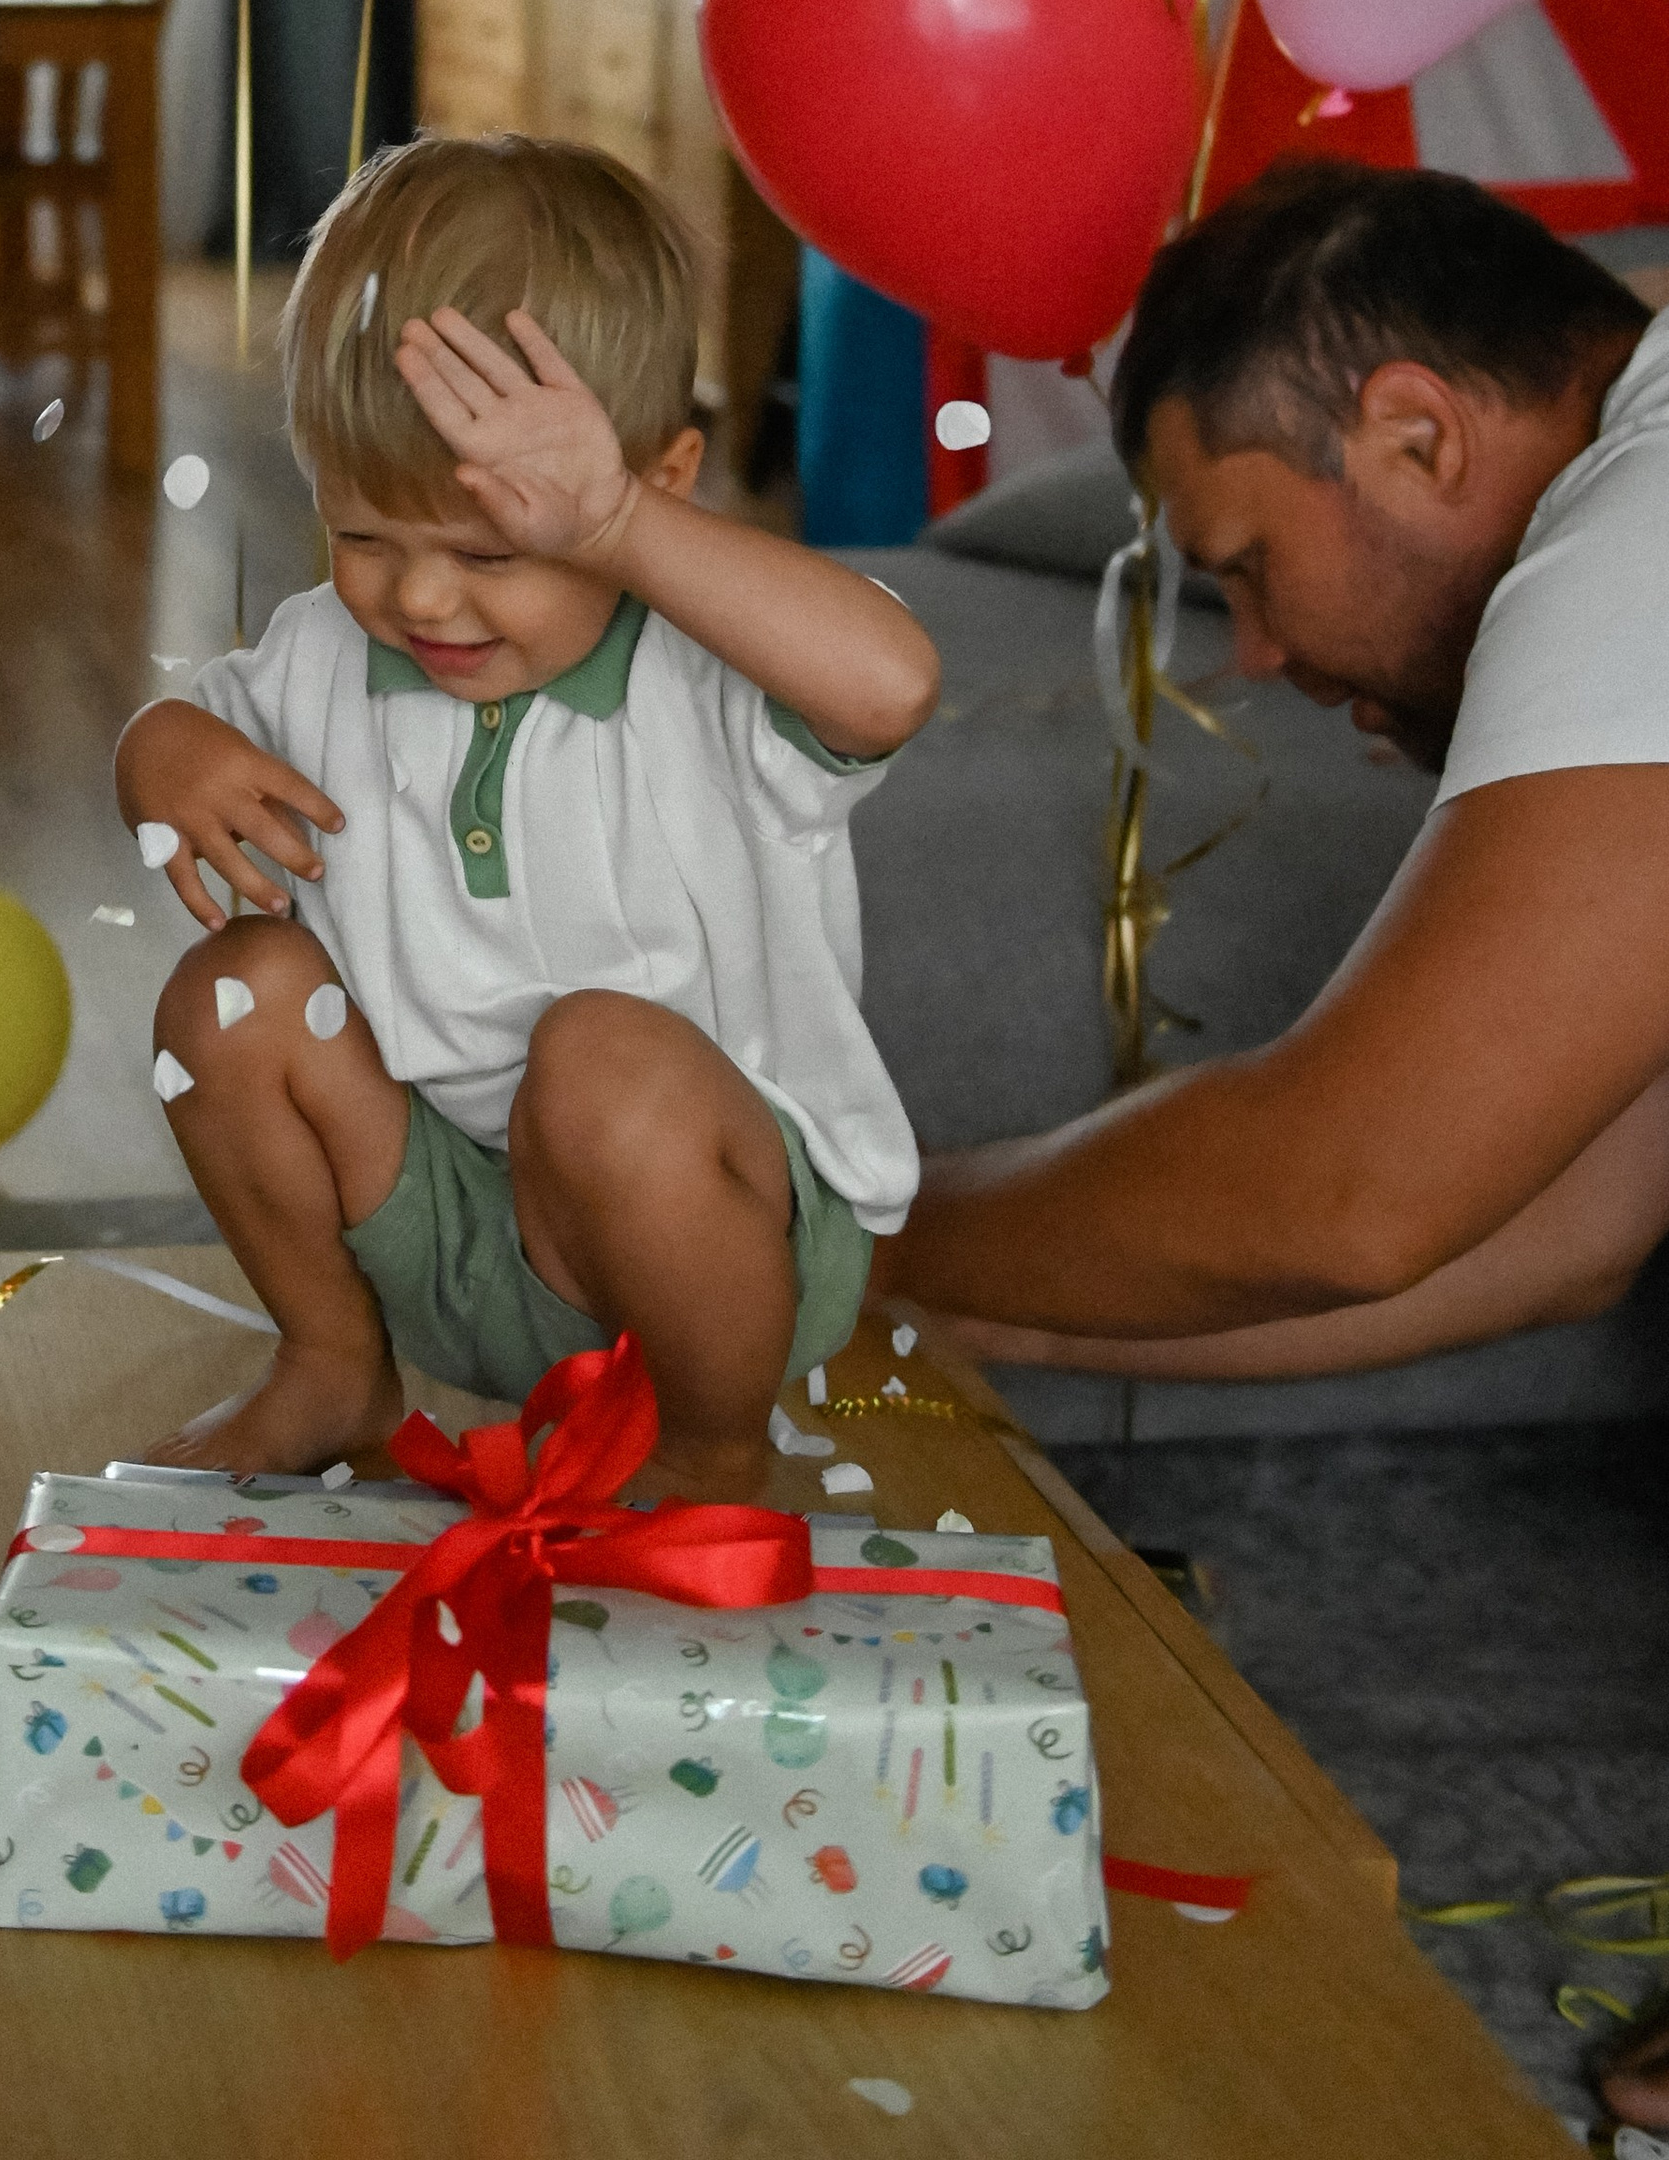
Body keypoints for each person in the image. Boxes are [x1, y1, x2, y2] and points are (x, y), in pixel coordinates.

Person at [887, 157, 1669, 2134]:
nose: (1248, 652)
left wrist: (841, 1236)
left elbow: (1348, 1187)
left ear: (1415, 433)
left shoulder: (1639, 525)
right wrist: (959, 1313)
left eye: (1242, 560)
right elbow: (1560, 1225)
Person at [115, 133, 940, 1502]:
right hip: (438, 1228)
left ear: (655, 487)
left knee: (600, 1055)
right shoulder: (328, 654)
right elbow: (197, 725)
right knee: (230, 998)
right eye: (363, 537)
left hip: (712, 1260)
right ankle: (333, 1361)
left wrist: (616, 532)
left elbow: (894, 683)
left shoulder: (710, 668)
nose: (421, 600)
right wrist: (158, 751)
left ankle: (710, 1454)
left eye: (492, 550)